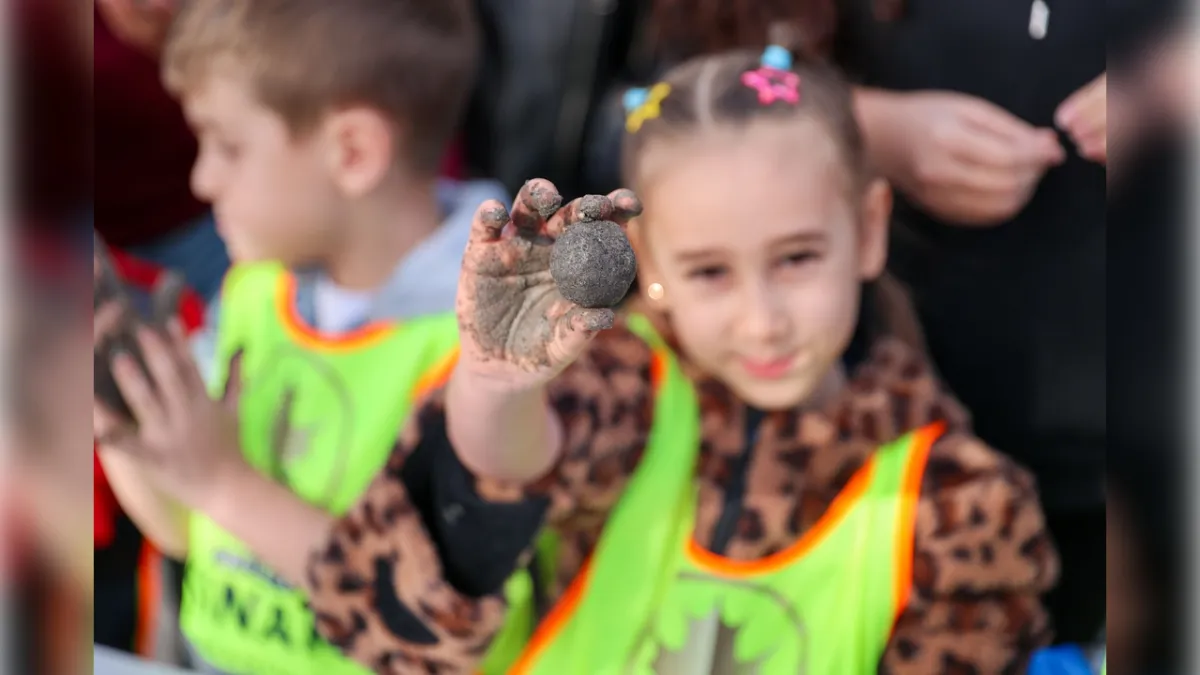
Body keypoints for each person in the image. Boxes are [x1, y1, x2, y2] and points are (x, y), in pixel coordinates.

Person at [294, 45, 1058, 674]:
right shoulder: (627, 385)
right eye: (710, 272)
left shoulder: (960, 508)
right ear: (650, 264)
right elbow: (509, 476)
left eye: (796, 258)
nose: (763, 322)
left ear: (868, 230)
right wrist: (495, 390)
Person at [91, 1, 507, 673]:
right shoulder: (257, 289)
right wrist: (112, 400)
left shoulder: (495, 350)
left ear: (353, 151)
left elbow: (435, 626)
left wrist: (222, 480)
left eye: (227, 146)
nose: (202, 179)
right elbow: (185, 529)